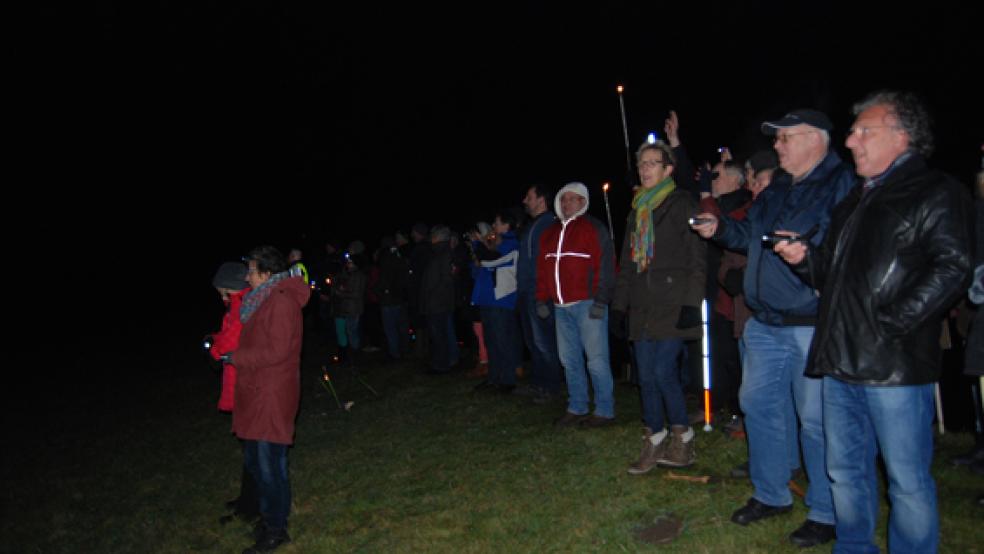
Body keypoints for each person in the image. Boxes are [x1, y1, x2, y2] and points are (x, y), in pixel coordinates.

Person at [774, 91, 973, 552]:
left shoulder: (935, 191)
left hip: (893, 366)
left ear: (902, 137)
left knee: (905, 480)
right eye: (852, 131)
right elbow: (832, 276)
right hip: (841, 362)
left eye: (865, 131)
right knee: (844, 473)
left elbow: (953, 266)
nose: (851, 140)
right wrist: (804, 258)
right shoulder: (857, 200)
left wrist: (891, 323)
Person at [692, 108, 855, 547]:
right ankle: (771, 493)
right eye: (777, 139)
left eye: (786, 138)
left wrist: (810, 258)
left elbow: (847, 251)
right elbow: (749, 237)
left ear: (815, 140)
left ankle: (826, 511)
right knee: (758, 405)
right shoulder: (778, 187)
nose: (777, 147)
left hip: (810, 321)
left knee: (816, 421)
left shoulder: (842, 185)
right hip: (764, 320)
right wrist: (720, 228)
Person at [612, 140, 706, 472]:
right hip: (642, 304)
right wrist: (619, 306)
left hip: (672, 300)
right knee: (646, 377)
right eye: (642, 164)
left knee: (664, 371)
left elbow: (697, 257)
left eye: (653, 163)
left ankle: (683, 437)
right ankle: (654, 438)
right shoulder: (637, 209)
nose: (645, 169)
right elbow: (627, 261)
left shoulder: (682, 203)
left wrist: (692, 303)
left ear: (668, 169)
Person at [227, 245, 310, 554]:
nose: (246, 276)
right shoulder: (261, 300)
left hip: (271, 394)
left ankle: (276, 529)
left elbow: (278, 351)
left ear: (265, 273)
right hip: (258, 392)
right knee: (256, 461)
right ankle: (266, 517)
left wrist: (237, 357)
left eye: (250, 270)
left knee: (269, 464)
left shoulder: (280, 302)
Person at [536, 181, 617, 428]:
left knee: (596, 359)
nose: (566, 203)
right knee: (569, 359)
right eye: (563, 199)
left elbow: (606, 266)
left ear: (583, 202)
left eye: (572, 199)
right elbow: (542, 269)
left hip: (588, 304)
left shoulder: (593, 228)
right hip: (561, 308)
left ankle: (604, 409)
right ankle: (577, 406)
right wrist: (541, 297)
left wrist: (602, 300)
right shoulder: (549, 233)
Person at [208, 261, 259, 524]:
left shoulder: (241, 305)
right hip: (238, 381)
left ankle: (253, 504)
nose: (220, 295)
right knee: (248, 447)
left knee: (253, 449)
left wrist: (214, 347)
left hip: (244, 384)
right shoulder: (237, 304)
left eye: (221, 289)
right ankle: (247, 499)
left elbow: (230, 340)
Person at [516, 184, 563, 404]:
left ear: (542, 200)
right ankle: (538, 383)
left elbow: (545, 262)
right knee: (532, 341)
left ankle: (551, 387)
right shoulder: (532, 225)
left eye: (529, 196)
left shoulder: (548, 224)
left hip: (539, 292)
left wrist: (542, 294)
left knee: (544, 341)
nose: (525, 200)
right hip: (526, 291)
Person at [471, 211, 522, 392]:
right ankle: (493, 378)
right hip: (487, 298)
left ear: (507, 226)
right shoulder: (494, 244)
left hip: (501, 299)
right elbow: (478, 269)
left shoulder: (512, 244)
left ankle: (507, 380)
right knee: (491, 341)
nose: (493, 226)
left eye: (496, 222)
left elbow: (490, 261)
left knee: (502, 340)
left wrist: (478, 244)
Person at [420, 225, 459, 374]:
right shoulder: (439, 253)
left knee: (439, 335)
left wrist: (432, 293)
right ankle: (440, 362)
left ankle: (441, 365)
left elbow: (445, 279)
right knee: (438, 334)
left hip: (438, 302)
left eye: (432, 235)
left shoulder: (444, 254)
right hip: (436, 301)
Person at [331, 251, 367, 367]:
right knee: (350, 332)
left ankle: (355, 358)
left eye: (350, 262)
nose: (348, 264)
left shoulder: (358, 275)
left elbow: (356, 294)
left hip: (353, 308)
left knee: (352, 333)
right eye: (348, 262)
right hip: (349, 308)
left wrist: (341, 293)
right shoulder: (350, 274)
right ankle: (352, 357)